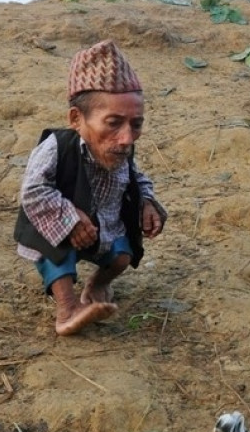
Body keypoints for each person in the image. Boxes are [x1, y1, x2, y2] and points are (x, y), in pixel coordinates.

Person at [14, 40, 167, 335]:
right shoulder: (56, 147)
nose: (127, 138)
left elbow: (136, 178)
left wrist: (147, 202)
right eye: (113, 123)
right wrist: (69, 218)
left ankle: (97, 285)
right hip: (57, 226)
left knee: (123, 255)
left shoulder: (122, 149)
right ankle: (67, 309)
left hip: (103, 228)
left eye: (136, 124)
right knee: (58, 258)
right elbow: (33, 190)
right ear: (76, 118)